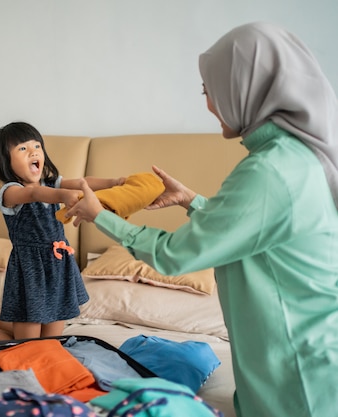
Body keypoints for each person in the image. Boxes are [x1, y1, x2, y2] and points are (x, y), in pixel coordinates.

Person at [66, 22, 338, 417]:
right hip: (305, 362)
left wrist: (101, 217)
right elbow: (257, 230)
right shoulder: (296, 157)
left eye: (210, 91)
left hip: (299, 381)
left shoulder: (270, 170)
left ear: (246, 87)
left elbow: (175, 256)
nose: (209, 104)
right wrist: (192, 201)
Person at [0, 121, 124, 341]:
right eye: (22, 148)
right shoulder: (10, 192)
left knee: (50, 343)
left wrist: (115, 182)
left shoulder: (51, 183)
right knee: (27, 346)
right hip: (30, 270)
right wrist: (63, 196)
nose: (32, 151)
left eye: (36, 146)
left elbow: (82, 182)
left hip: (58, 266)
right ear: (6, 160)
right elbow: (33, 195)